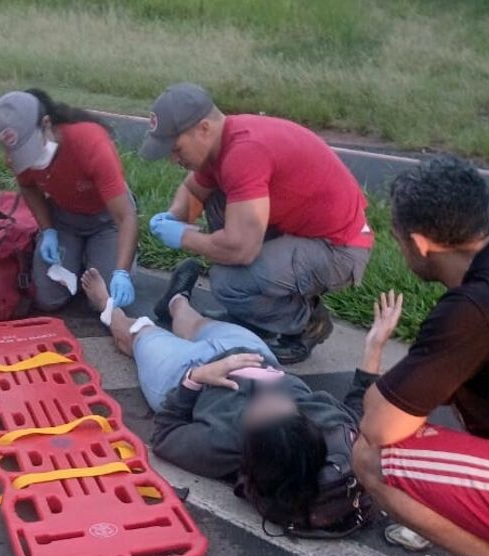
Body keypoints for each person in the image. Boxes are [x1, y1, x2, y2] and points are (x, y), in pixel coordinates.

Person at [79, 258, 402, 527]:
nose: (266, 393)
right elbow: (358, 404)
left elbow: (166, 432)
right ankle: (177, 301)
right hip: (251, 353)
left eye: (260, 409)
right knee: (193, 322)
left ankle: (106, 306)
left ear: (251, 449)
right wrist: (374, 347)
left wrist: (196, 378)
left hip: (184, 371)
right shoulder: (332, 431)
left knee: (137, 334)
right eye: (283, 405)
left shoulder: (221, 445)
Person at [352, 156, 489, 556]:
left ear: (420, 243)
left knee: (372, 457)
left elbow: (380, 428)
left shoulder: (473, 309)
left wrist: (375, 370)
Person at [140, 82, 374, 365]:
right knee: (217, 203)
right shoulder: (223, 143)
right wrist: (175, 217)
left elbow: (241, 250)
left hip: (338, 249)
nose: (173, 158)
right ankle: (255, 313)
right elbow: (193, 193)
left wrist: (184, 237)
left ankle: (305, 322)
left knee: (228, 283)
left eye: (176, 148)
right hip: (305, 231)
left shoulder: (244, 152)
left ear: (203, 128)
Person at [0, 88, 138, 312]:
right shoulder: (18, 154)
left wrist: (122, 272)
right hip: (64, 219)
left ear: (47, 124)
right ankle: (78, 260)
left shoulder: (90, 142)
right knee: (48, 299)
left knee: (105, 302)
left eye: (32, 149)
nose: (30, 160)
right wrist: (48, 229)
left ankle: (101, 257)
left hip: (107, 219)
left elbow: (126, 217)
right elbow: (28, 186)